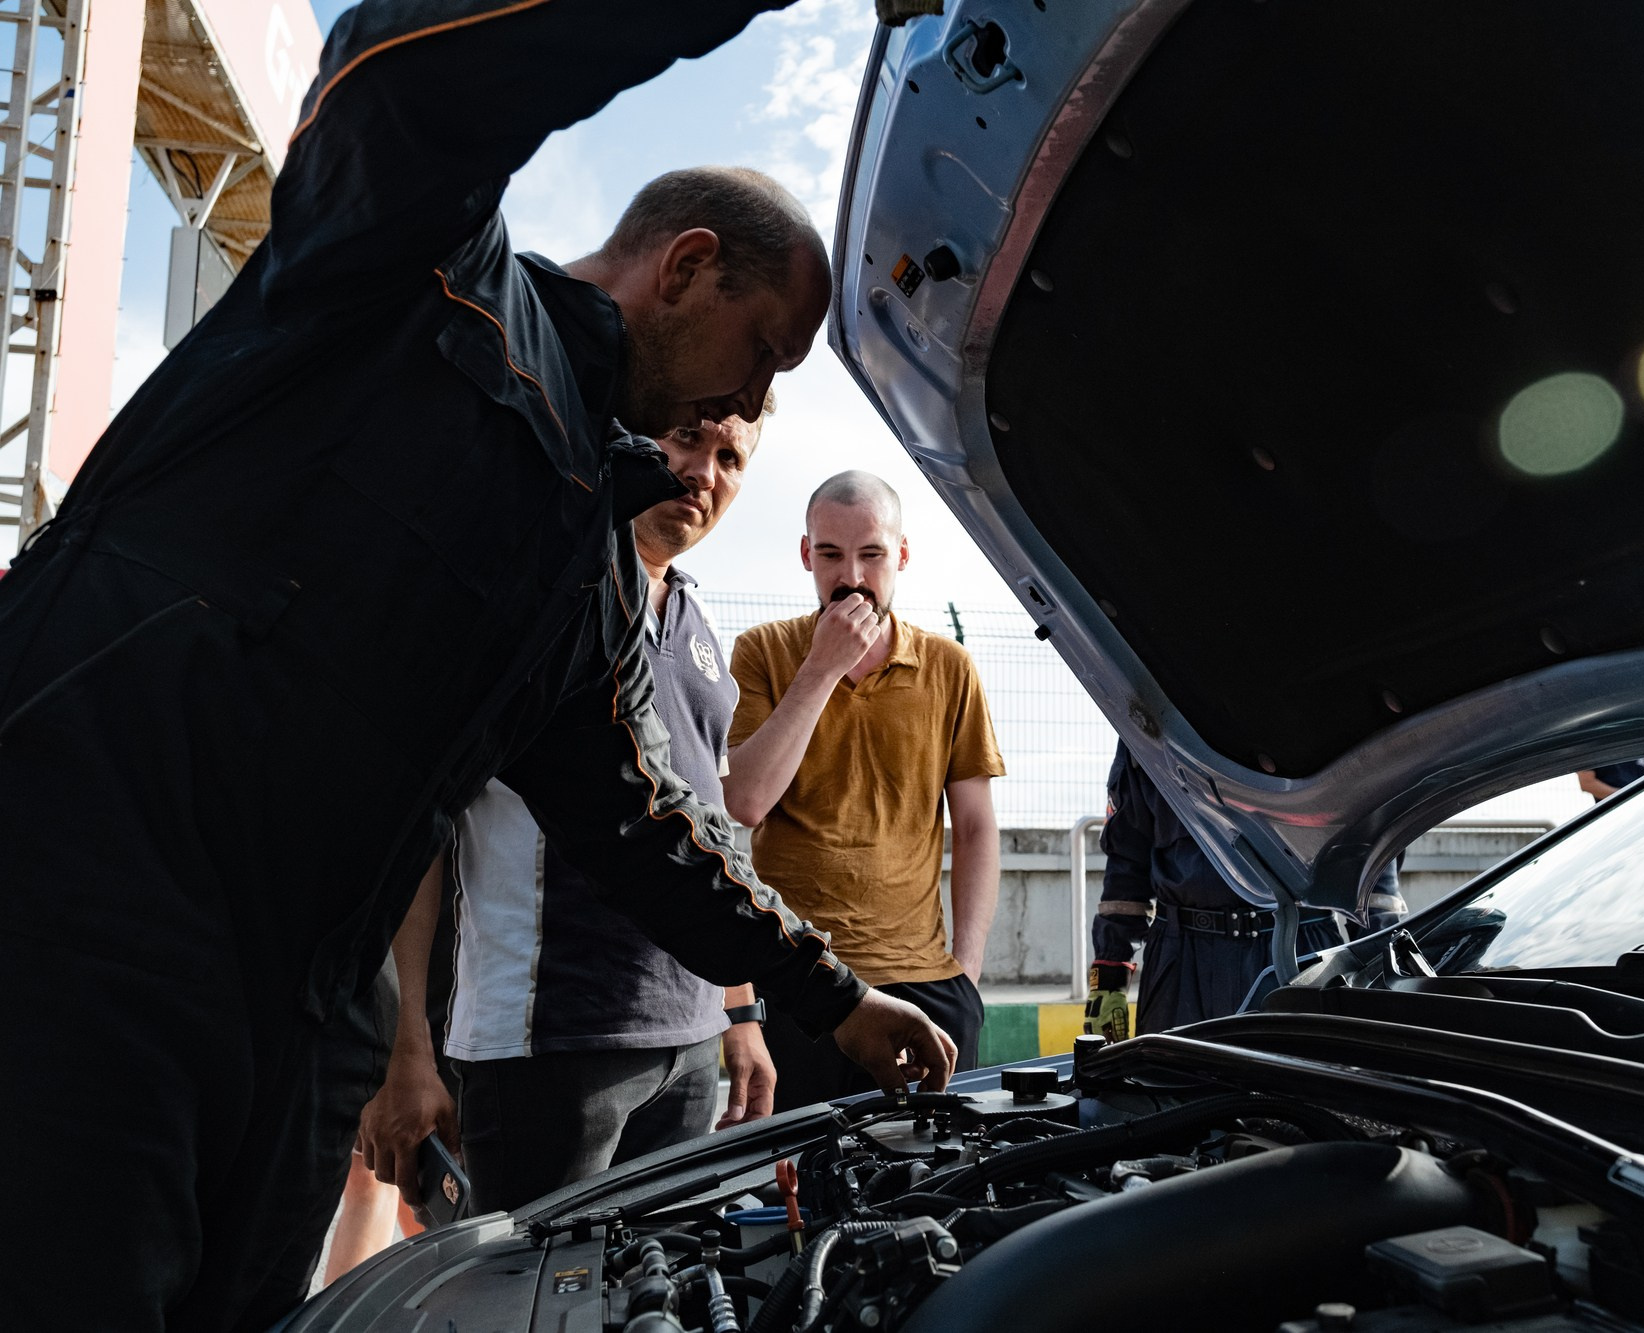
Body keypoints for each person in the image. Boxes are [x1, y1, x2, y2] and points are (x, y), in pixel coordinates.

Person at [0, 7, 952, 1330]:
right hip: (81, 915)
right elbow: (407, 72)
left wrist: (828, 995)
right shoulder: (420, 270)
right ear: (685, 267)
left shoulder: (588, 562)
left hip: (303, 1009)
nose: (744, 409)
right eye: (759, 356)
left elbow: (642, 820)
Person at [358, 410, 780, 1214]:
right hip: (550, 1045)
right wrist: (403, 1046)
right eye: (687, 437)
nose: (703, 471)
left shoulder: (698, 627)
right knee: (532, 1285)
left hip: (690, 1048)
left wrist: (740, 1010)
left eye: (730, 456)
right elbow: (421, 834)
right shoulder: (535, 593)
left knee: (666, 1280)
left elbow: (715, 833)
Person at [724, 472, 1005, 1108]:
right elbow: (747, 802)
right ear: (806, 555)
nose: (851, 576)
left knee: (933, 1162)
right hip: (799, 976)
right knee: (808, 1167)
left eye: (871, 554)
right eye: (830, 554)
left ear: (901, 555)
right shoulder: (763, 651)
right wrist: (822, 667)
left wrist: (967, 972)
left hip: (926, 981)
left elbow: (976, 825)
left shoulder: (949, 667)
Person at [1089, 742, 1409, 1033]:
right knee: (1172, 1078)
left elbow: (1370, 855)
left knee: (1302, 1077)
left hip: (1300, 951)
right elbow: (1127, 859)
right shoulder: (1150, 719)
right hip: (1181, 961)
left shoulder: (1326, 710)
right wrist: (1109, 977)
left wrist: (1385, 970)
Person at [1578, 757, 1644, 800]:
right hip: (1612, 812)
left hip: (1643, 807)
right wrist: (1626, 797)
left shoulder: (1643, 738)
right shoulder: (1593, 739)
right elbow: (1587, 783)